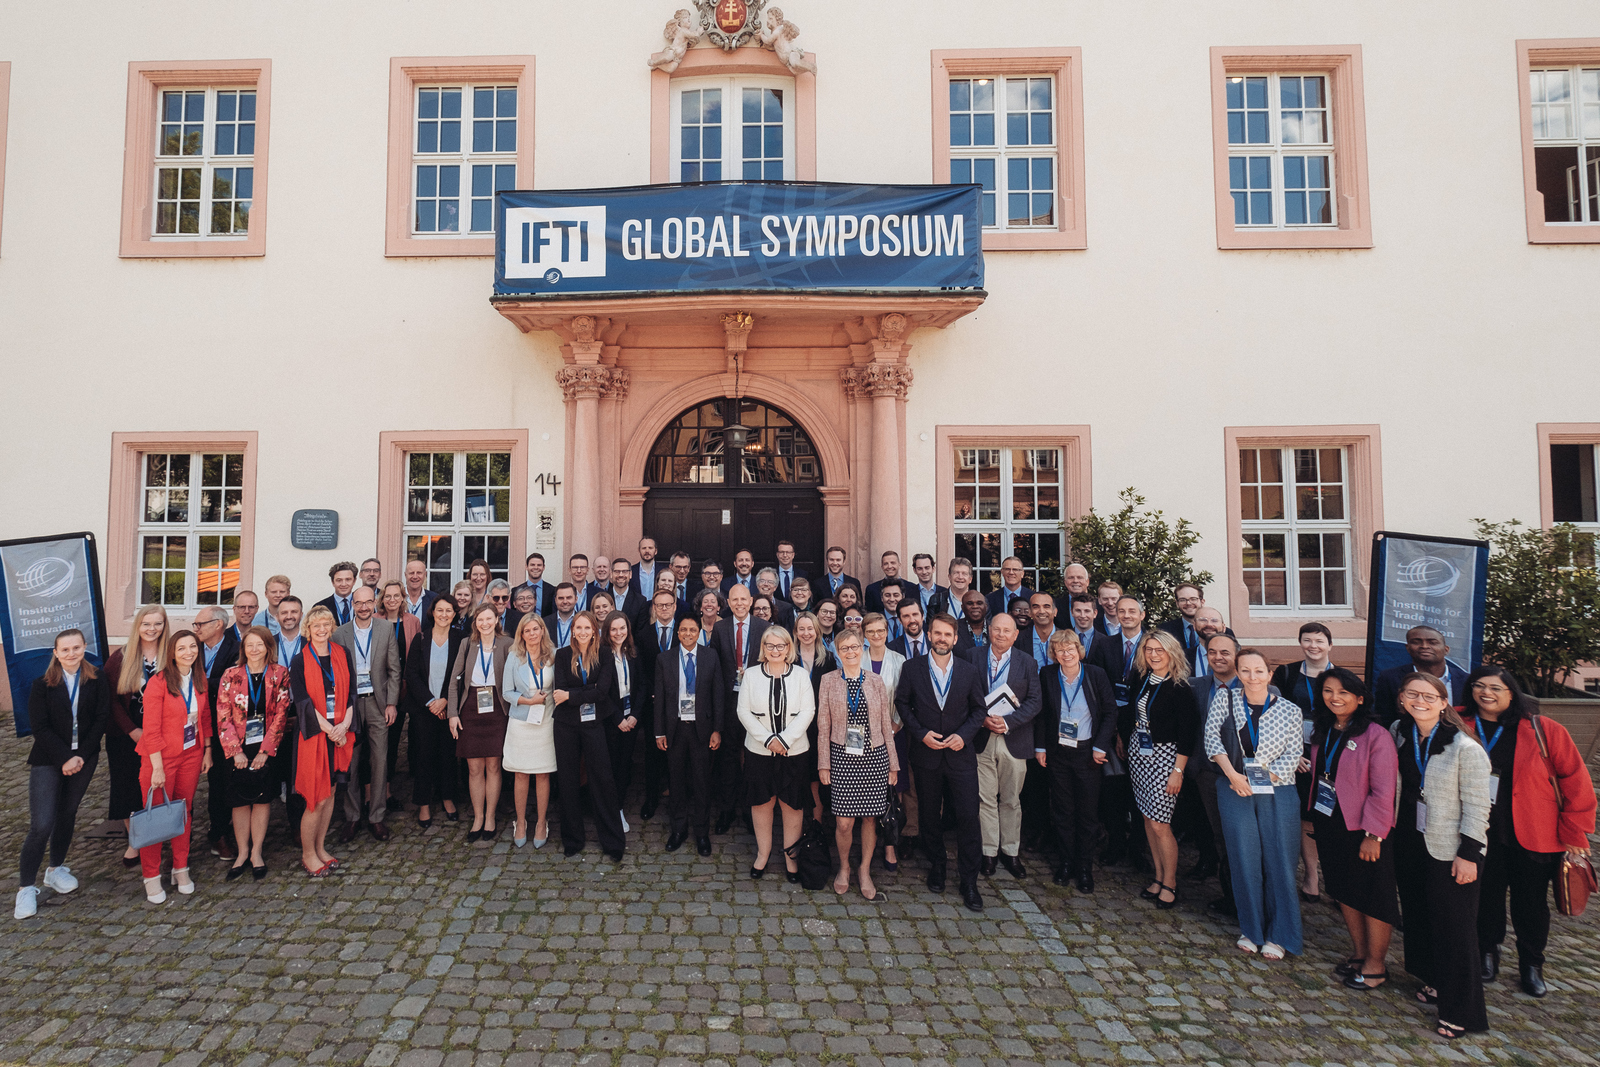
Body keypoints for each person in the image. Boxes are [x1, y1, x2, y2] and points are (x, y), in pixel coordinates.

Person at [1461, 666, 1595, 997]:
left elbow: (1575, 781)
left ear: (1512, 693)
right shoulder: (1458, 724)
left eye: (1495, 687)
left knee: (1531, 904)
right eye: (1479, 686)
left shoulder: (1542, 729)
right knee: (1486, 898)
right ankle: (1486, 953)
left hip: (1535, 833)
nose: (1486, 693)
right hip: (1479, 831)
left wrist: (1575, 834)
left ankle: (1531, 964)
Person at [1391, 673, 1491, 1039]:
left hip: (1452, 849)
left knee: (1455, 930)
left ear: (1443, 702)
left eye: (1429, 696)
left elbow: (1479, 807)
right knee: (1420, 916)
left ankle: (1462, 1011)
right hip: (1412, 842)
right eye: (1412, 694)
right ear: (1402, 698)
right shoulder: (1400, 732)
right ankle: (1435, 981)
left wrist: (1469, 854)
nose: (1420, 701)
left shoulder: (1465, 748)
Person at [1204, 647, 1303, 957]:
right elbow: (1211, 737)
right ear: (1238, 673)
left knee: (1280, 862)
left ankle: (1281, 934)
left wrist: (1266, 777)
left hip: (1279, 790)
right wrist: (1233, 775)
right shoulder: (1225, 699)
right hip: (1234, 786)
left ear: (1269, 674)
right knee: (1243, 859)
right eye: (1245, 670)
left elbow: (1294, 752)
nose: (1252, 676)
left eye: (1259, 670)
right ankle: (1251, 929)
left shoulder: (1289, 710)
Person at [1306, 667, 1399, 990]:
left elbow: (1383, 790)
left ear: (1360, 699)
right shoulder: (1324, 728)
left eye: (1344, 692)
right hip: (1331, 822)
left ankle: (1377, 964)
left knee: (1373, 896)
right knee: (1345, 891)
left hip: (1364, 830)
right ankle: (1360, 953)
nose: (1335, 698)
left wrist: (1374, 835)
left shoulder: (1376, 735)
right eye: (1329, 691)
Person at [896, 613, 988, 911]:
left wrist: (964, 735)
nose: (942, 639)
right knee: (928, 816)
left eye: (947, 634)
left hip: (960, 755)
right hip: (927, 754)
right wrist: (920, 734)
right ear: (929, 634)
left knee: (967, 816)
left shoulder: (969, 670)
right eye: (937, 633)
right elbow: (902, 704)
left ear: (955, 638)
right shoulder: (912, 668)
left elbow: (978, 711)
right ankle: (937, 865)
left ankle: (969, 880)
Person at [16, 630, 109, 920]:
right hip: (49, 758)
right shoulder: (42, 685)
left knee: (68, 813)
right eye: (65, 649)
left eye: (76, 647)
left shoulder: (97, 679)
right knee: (42, 823)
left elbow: (101, 719)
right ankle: (26, 888)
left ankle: (55, 869)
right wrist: (65, 757)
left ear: (84, 648)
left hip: (85, 756)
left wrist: (81, 755)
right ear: (55, 653)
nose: (71, 653)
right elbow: (39, 727)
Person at [1032, 630, 1116, 891]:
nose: (1065, 654)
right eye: (1060, 650)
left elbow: (1110, 712)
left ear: (1079, 651)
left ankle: (1084, 867)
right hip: (1058, 752)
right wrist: (1040, 747)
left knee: (1087, 812)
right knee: (1062, 810)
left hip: (1088, 753)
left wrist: (1101, 746)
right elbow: (1043, 715)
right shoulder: (1047, 675)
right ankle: (1065, 862)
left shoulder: (1095, 675)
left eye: (1070, 649)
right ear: (1054, 654)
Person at [818, 629, 898, 898]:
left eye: (854, 647)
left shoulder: (876, 681)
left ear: (861, 649)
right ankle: (844, 867)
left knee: (870, 819)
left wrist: (893, 765)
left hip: (874, 757)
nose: (850, 652)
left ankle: (864, 869)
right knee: (843, 822)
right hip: (841, 756)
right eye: (844, 648)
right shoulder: (828, 681)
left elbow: (886, 725)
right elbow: (823, 726)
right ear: (837, 653)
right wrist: (824, 764)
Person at [137, 629, 214, 902]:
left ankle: (180, 867)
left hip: (191, 755)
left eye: (192, 647)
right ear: (171, 652)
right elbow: (151, 729)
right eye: (181, 648)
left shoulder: (199, 678)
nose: (188, 653)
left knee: (184, 811)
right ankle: (151, 875)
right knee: (156, 816)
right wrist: (157, 766)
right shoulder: (158, 683)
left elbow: (204, 717)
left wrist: (207, 750)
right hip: (160, 758)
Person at [1120, 628, 1195, 910]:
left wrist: (1178, 771)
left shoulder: (1180, 687)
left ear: (1171, 652)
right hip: (1140, 755)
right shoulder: (1142, 679)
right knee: (1147, 819)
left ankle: (1171, 882)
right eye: (1149, 650)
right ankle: (1158, 875)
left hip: (1167, 759)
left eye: (1159, 650)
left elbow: (1188, 735)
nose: (1153, 655)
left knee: (1160, 823)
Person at [736, 626, 815, 882]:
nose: (775, 650)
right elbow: (743, 712)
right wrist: (769, 739)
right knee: (762, 803)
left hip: (795, 752)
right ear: (763, 648)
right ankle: (763, 853)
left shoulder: (802, 675)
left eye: (781, 646)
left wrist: (784, 739)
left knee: (792, 805)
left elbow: (808, 712)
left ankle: (791, 858)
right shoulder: (750, 675)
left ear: (789, 648)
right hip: (760, 751)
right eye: (770, 646)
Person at [967, 613, 1042, 878]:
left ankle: (1011, 852)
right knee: (984, 799)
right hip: (981, 738)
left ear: (1015, 634)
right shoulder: (972, 656)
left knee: (1011, 800)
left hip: (1014, 738)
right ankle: (989, 853)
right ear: (989, 630)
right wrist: (983, 720)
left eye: (1006, 630)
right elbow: (963, 693)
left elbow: (1035, 701)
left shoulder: (1028, 662)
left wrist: (1008, 722)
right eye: (996, 629)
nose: (1000, 634)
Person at [215, 626, 291, 881]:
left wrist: (265, 752)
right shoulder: (231, 674)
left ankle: (257, 852)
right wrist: (235, 751)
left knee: (261, 799)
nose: (254, 649)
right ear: (243, 649)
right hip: (237, 747)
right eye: (250, 645)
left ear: (269, 647)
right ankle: (242, 852)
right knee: (239, 801)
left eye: (260, 645)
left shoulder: (279, 674)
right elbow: (223, 715)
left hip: (266, 747)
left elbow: (282, 714)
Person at [551, 611, 626, 860]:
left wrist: (572, 695)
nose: (582, 632)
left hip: (594, 723)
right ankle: (573, 839)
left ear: (595, 630)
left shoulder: (604, 654)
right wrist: (587, 690)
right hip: (566, 725)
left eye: (587, 627)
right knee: (568, 780)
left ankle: (613, 842)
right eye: (578, 627)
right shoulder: (562, 655)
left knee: (602, 779)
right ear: (572, 630)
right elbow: (558, 689)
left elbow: (602, 692)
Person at [288, 606, 356, 878]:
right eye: (316, 625)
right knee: (315, 799)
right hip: (315, 735)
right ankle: (307, 854)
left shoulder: (343, 654)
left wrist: (344, 725)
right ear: (308, 629)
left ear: (331, 627)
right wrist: (330, 729)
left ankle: (320, 847)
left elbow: (351, 692)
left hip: (340, 732)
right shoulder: (300, 660)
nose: (321, 629)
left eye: (326, 624)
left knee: (330, 796)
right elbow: (303, 701)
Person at [1270, 622, 1335, 902]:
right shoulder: (1287, 673)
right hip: (1298, 756)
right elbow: (1276, 715)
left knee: (1330, 815)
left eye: (1319, 641)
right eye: (1307, 640)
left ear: (1329, 645)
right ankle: (1311, 876)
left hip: (1331, 755)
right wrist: (1291, 752)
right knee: (1305, 817)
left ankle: (1334, 878)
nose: (1313, 646)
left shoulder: (1339, 677)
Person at [333, 586, 401, 842]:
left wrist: (391, 703)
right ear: (352, 604)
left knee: (380, 760)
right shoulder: (340, 633)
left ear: (375, 603)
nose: (363, 607)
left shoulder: (385, 629)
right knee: (350, 760)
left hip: (378, 703)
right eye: (358, 603)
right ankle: (352, 817)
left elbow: (394, 669)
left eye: (368, 602)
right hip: (350, 705)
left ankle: (376, 817)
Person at [655, 617, 725, 855]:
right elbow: (660, 700)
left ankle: (702, 833)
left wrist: (717, 729)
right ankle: (678, 829)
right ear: (677, 633)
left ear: (699, 633)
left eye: (692, 629)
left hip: (702, 730)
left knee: (701, 782)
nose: (687, 633)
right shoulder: (664, 659)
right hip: (674, 729)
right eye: (683, 629)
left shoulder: (710, 656)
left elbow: (718, 694)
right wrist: (659, 732)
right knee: (676, 781)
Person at [105, 604, 167, 867]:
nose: (152, 629)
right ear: (137, 626)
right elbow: (109, 701)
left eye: (158, 624)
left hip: (162, 732)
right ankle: (136, 840)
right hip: (126, 730)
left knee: (156, 785)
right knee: (127, 787)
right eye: (146, 624)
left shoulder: (171, 656)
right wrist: (132, 730)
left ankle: (159, 836)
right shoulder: (121, 657)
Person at [1188, 633, 1246, 917]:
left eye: (1225, 652)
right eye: (1212, 652)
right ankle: (1231, 897)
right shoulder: (1195, 686)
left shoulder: (1259, 688)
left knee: (1244, 837)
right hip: (1208, 775)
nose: (1218, 657)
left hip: (1244, 777)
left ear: (1237, 654)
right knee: (1220, 836)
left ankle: (1251, 898)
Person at [447, 603, 511, 844]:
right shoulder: (467, 644)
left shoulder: (507, 644)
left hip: (497, 708)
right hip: (471, 708)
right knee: (474, 768)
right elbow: (454, 682)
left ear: (496, 620)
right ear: (475, 623)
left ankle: (491, 817)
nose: (485, 623)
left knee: (493, 766)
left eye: (489, 619)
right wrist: (453, 713)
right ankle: (478, 817)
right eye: (480, 620)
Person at [712, 584, 770, 833]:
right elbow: (714, 667)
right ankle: (726, 810)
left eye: (743, 599)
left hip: (756, 702)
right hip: (728, 702)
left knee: (754, 759)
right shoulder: (720, 627)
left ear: (751, 600)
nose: (739, 603)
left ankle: (750, 811)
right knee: (728, 757)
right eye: (734, 599)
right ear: (728, 602)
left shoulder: (764, 627)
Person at [404, 596, 462, 826]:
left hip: (449, 706)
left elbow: (461, 674)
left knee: (448, 756)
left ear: (454, 614)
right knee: (423, 756)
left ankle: (448, 798)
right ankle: (424, 804)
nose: (444, 614)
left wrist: (446, 700)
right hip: (423, 708)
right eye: (440, 610)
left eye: (449, 610)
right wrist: (431, 702)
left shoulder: (460, 639)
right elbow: (412, 674)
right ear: (433, 612)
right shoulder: (421, 638)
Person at [501, 613, 558, 849]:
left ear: (542, 630)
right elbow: (507, 692)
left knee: (543, 773)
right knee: (521, 774)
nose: (532, 634)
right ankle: (521, 821)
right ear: (521, 634)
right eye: (527, 631)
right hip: (521, 722)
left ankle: (542, 822)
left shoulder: (554, 656)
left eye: (536, 629)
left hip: (546, 721)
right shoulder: (514, 656)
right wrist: (529, 702)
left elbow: (559, 687)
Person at [637, 590, 684, 821]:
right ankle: (651, 798)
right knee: (652, 752)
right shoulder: (643, 634)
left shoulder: (684, 632)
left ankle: (677, 797)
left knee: (678, 751)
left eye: (668, 605)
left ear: (675, 606)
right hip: (652, 702)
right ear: (654, 608)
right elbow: (641, 671)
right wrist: (654, 693)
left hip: (680, 702)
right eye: (659, 605)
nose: (664, 609)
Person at [378, 578, 423, 815]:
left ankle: (405, 787)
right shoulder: (376, 620)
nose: (392, 600)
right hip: (382, 689)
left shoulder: (412, 621)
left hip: (408, 688)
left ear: (403, 598)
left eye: (397, 596)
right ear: (382, 599)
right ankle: (382, 791)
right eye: (388, 596)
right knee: (385, 742)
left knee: (407, 740)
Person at [1372, 626, 1467, 725]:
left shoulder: (1465, 680)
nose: (1424, 646)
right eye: (1416, 642)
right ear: (1408, 648)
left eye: (1432, 642)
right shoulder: (1390, 678)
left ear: (1446, 649)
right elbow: (1384, 718)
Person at [602, 610, 641, 833]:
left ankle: (619, 809)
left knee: (624, 766)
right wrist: (618, 718)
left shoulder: (633, 653)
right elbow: (601, 692)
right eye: (614, 629)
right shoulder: (602, 654)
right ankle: (608, 809)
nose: (619, 633)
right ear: (608, 631)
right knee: (609, 766)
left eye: (622, 628)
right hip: (610, 720)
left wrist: (634, 714)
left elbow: (642, 685)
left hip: (631, 719)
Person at [315, 561, 360, 626]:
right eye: (339, 580)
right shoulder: (320, 607)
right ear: (333, 582)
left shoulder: (364, 604)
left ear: (354, 581)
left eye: (348, 579)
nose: (343, 584)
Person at [909, 552, 947, 618]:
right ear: (914, 570)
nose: (924, 572)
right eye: (920, 569)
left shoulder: (945, 592)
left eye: (927, 568)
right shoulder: (909, 594)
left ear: (933, 569)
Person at [519, 552, 557, 617]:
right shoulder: (517, 590)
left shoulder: (553, 590)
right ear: (526, 567)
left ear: (543, 567)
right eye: (532, 565)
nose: (536, 567)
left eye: (539, 565)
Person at [545, 583, 579, 648]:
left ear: (576, 599)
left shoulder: (583, 621)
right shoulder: (545, 623)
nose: (565, 601)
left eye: (569, 598)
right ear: (555, 600)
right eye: (561, 598)